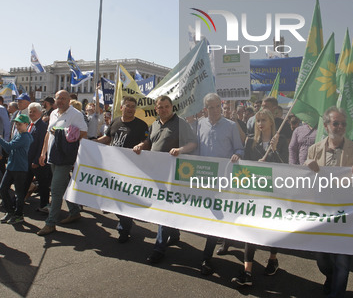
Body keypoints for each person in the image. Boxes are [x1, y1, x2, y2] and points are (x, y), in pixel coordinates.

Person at [304, 107, 353, 298]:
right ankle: (331, 278)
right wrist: (307, 167)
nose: (340, 127)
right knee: (322, 259)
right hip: (322, 212)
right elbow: (305, 183)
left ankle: (336, 293)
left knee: (342, 261)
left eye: (343, 124)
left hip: (346, 213)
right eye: (335, 123)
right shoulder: (313, 150)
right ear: (326, 126)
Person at [133, 95, 197, 264]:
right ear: (156, 109)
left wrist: (180, 149)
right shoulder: (154, 124)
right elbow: (149, 141)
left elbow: (193, 143)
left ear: (172, 107)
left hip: (173, 176)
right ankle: (174, 234)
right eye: (160, 107)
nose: (163, 110)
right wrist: (141, 146)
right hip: (156, 174)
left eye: (166, 106)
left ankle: (158, 248)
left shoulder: (181, 123)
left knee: (164, 210)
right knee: (165, 208)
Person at [232, 109, 284, 286]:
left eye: (263, 120)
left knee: (272, 229)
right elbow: (246, 164)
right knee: (251, 229)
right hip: (255, 192)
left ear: (271, 122)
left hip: (274, 193)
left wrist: (275, 151)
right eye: (257, 121)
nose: (260, 123)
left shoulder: (280, 141)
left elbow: (287, 167)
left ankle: (273, 258)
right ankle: (247, 272)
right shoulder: (250, 142)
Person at [197, 93, 244, 276]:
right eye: (211, 107)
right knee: (209, 218)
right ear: (205, 108)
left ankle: (206, 258)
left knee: (215, 219)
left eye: (217, 106)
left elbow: (240, 148)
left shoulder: (231, 126)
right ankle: (225, 241)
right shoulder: (199, 123)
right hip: (203, 179)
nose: (215, 110)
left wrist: (237, 155)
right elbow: (195, 147)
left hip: (223, 180)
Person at [96, 96, 149, 243]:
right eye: (128, 106)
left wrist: (141, 145)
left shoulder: (141, 125)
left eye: (133, 106)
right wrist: (92, 142)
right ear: (122, 107)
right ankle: (126, 221)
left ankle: (124, 229)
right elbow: (107, 138)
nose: (131, 109)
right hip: (112, 168)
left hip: (130, 170)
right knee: (113, 199)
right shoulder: (115, 121)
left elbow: (147, 142)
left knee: (123, 199)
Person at [37, 90, 88, 236]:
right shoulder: (53, 113)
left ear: (69, 100)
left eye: (64, 99)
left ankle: (50, 223)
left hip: (65, 157)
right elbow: (48, 133)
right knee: (64, 185)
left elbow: (83, 134)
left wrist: (66, 133)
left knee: (56, 189)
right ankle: (74, 211)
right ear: (55, 100)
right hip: (53, 156)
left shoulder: (76, 114)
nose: (60, 101)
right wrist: (43, 152)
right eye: (58, 98)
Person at [0, 114, 33, 225]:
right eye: (16, 124)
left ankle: (19, 214)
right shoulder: (19, 135)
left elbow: (9, 147)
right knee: (2, 189)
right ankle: (10, 211)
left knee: (19, 193)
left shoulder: (25, 137)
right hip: (12, 166)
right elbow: (10, 148)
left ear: (26, 125)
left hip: (20, 168)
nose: (17, 126)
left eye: (20, 124)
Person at [25, 102, 51, 213]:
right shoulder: (29, 125)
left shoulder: (42, 126)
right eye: (30, 111)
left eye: (34, 111)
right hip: (28, 160)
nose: (31, 113)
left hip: (38, 161)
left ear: (40, 113)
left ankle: (44, 205)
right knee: (25, 182)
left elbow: (42, 144)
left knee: (43, 184)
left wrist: (36, 160)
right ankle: (18, 201)